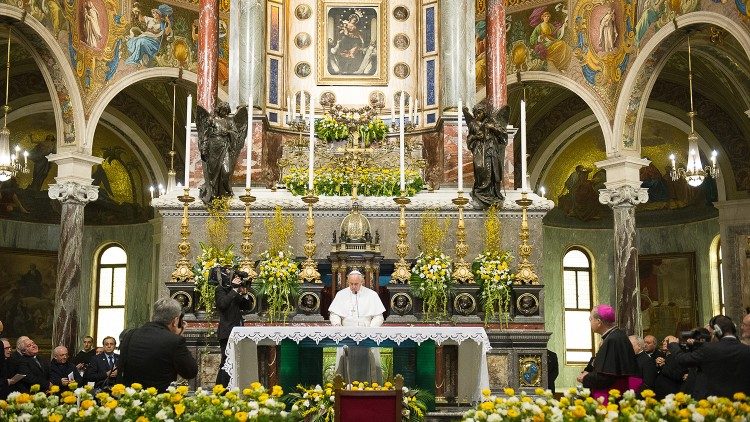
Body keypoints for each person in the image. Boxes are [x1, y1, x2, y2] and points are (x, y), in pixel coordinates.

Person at [118, 298, 197, 392]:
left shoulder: (129, 335)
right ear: (176, 321)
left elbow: (121, 368)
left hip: (131, 398)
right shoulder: (174, 341)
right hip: (158, 401)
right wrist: (177, 337)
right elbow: (190, 372)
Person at [667, 315, 750, 399]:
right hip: (741, 403)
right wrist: (696, 344)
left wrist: (673, 345)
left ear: (718, 331)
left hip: (715, 403)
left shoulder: (708, 349)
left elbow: (683, 359)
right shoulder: (746, 350)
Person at [329, 270, 386, 383]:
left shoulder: (372, 295)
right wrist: (336, 323)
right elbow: (334, 313)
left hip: (367, 335)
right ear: (347, 282)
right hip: (346, 335)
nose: (353, 286)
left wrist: (371, 329)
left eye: (356, 284)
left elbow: (379, 316)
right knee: (345, 362)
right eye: (351, 284)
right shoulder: (341, 294)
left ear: (362, 282)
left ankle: (371, 388)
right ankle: (344, 388)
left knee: (368, 363)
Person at [577, 304, 638, 403]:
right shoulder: (617, 336)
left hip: (612, 398)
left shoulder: (612, 340)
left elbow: (606, 377)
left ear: (599, 322)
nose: (590, 322)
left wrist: (586, 377)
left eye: (590, 319)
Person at [464, 99, 510, 209]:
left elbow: (503, 134)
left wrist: (492, 128)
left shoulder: (492, 122)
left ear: (484, 112)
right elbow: (469, 139)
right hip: (479, 151)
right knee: (481, 168)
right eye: (475, 113)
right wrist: (475, 137)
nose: (477, 115)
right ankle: (480, 191)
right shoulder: (473, 124)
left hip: (491, 150)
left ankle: (493, 193)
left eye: (479, 113)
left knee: (493, 171)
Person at [214, 268, 251, 387]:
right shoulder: (220, 290)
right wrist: (234, 290)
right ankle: (220, 389)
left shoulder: (234, 291)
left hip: (238, 330)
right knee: (226, 361)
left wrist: (244, 293)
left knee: (237, 361)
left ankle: (234, 386)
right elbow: (222, 305)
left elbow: (247, 307)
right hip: (226, 331)